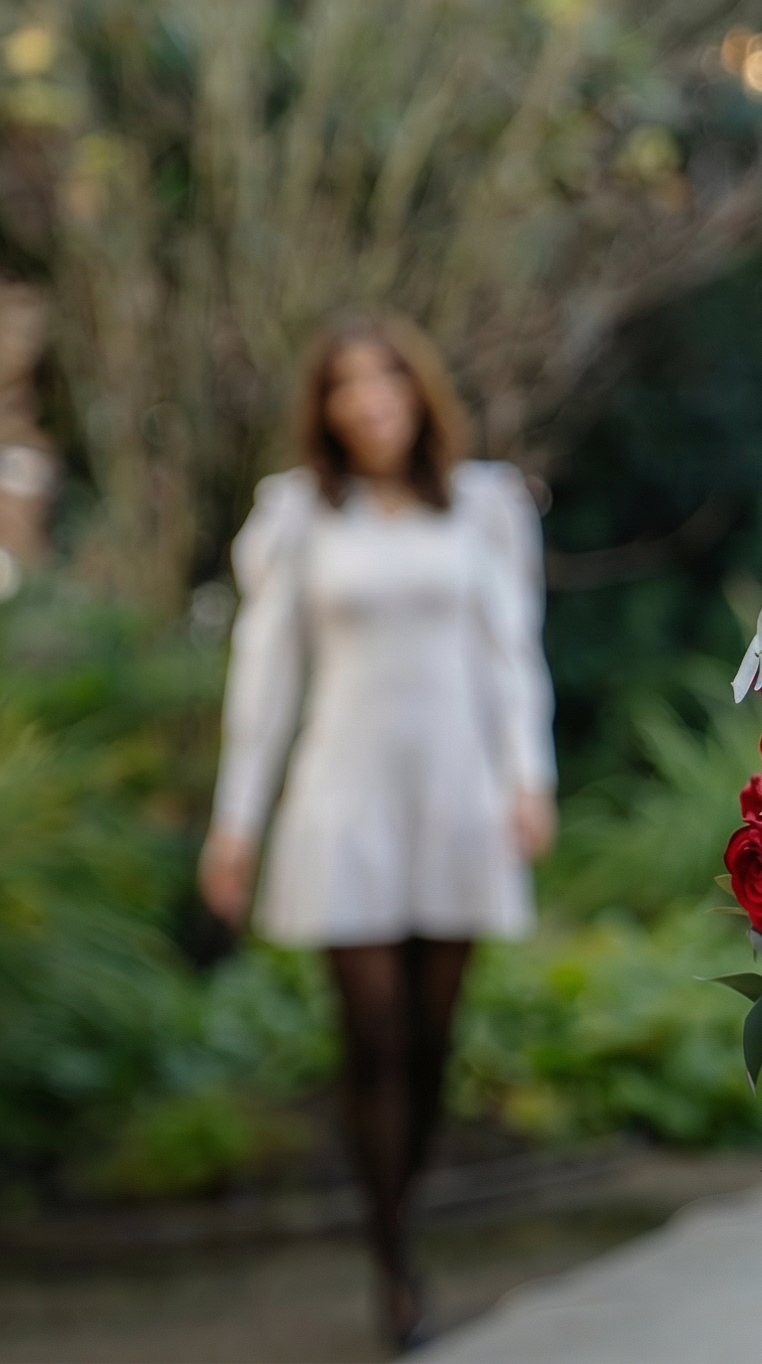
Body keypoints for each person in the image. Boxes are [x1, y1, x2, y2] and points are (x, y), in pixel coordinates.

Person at [198, 313, 556, 1351]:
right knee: (373, 1028)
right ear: (327, 410)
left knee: (433, 1035)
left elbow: (511, 653)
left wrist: (529, 779)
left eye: (385, 379)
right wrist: (235, 823)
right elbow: (263, 681)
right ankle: (393, 1256)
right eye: (346, 385)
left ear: (415, 391)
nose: (369, 400)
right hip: (340, 797)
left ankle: (405, 1217)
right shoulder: (300, 516)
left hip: (457, 792)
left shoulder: (482, 506)